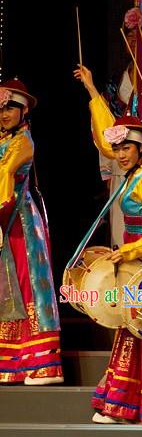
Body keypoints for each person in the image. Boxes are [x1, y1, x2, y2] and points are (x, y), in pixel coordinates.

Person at [83, 104, 142, 424]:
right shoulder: (132, 177)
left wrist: (130, 252)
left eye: (127, 147)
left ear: (141, 147)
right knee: (130, 329)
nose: (121, 154)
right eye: (117, 148)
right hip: (135, 261)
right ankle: (126, 403)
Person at [74, 0, 142, 248]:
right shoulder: (120, 82)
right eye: (128, 35)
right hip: (124, 165)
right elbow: (109, 124)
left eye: (138, 34)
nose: (133, 40)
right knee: (123, 237)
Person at [0, 78, 63, 385]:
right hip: (4, 224)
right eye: (1, 107)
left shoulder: (23, 142)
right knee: (8, 288)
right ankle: (12, 361)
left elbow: (5, 176)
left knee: (29, 287)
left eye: (11, 107)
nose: (5, 113)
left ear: (24, 110)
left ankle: (41, 363)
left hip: (20, 224)